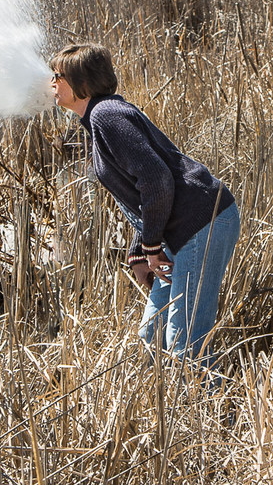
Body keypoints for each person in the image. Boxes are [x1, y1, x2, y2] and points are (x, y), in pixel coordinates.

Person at [49, 43, 240, 366]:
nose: (52, 82)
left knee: (185, 347)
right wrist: (140, 249)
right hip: (184, 231)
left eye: (58, 75)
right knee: (153, 337)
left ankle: (223, 414)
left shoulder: (106, 115)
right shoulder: (104, 116)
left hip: (201, 225)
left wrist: (151, 245)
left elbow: (156, 180)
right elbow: (143, 194)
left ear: (81, 82)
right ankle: (178, 412)